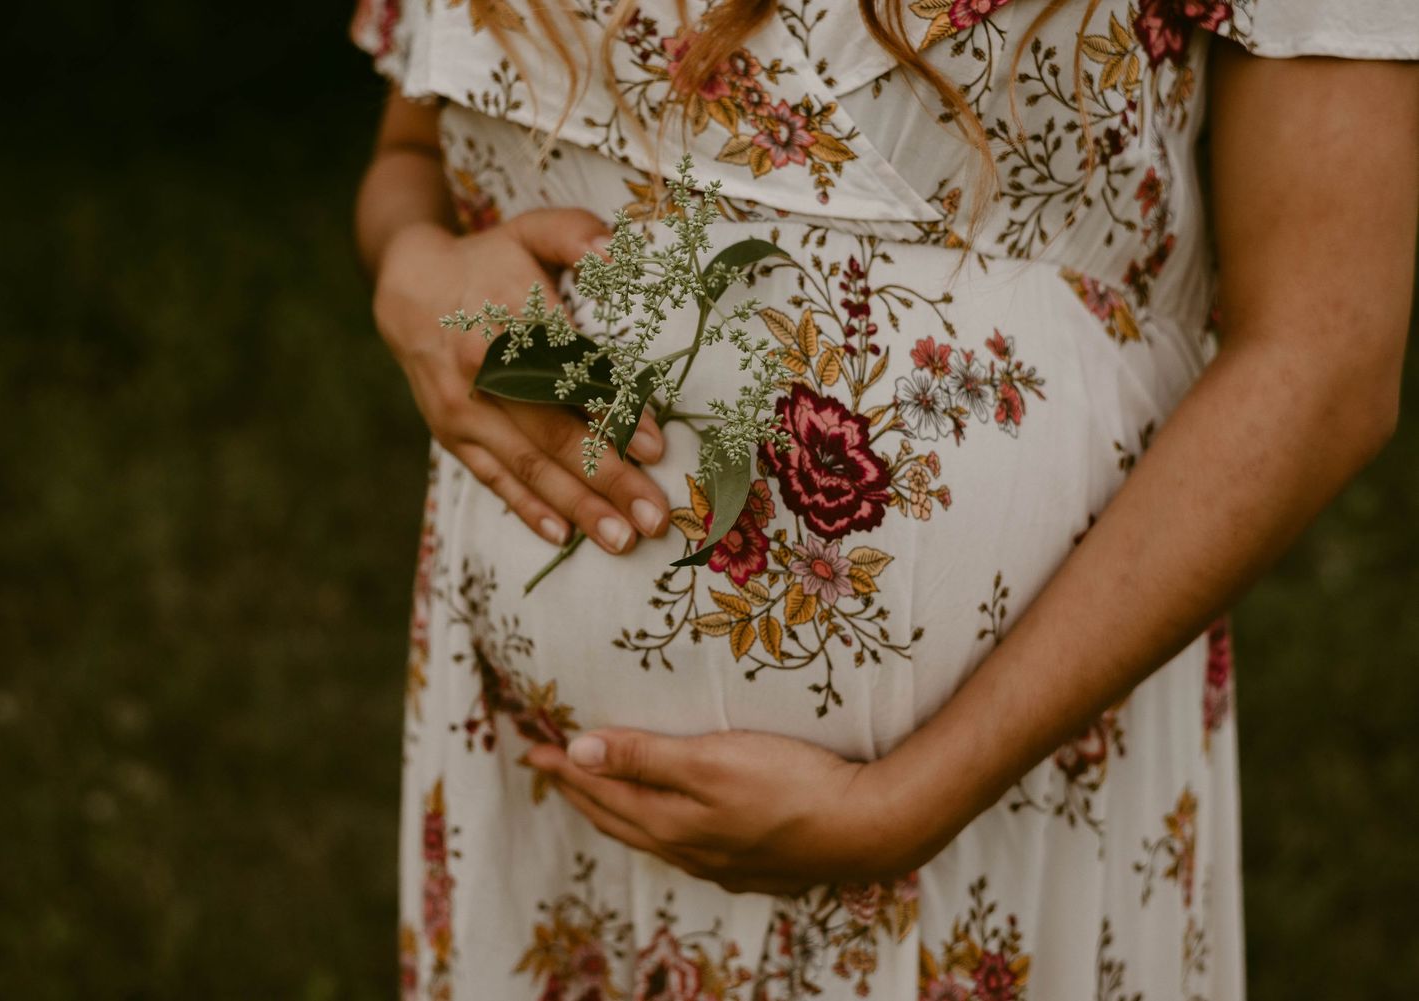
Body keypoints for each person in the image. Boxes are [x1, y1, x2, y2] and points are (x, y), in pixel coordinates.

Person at [353, 0, 1417, 996]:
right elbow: (410, 158)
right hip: (548, 799)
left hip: (1004, 791)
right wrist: (413, 268)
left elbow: (1326, 354)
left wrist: (909, 801)